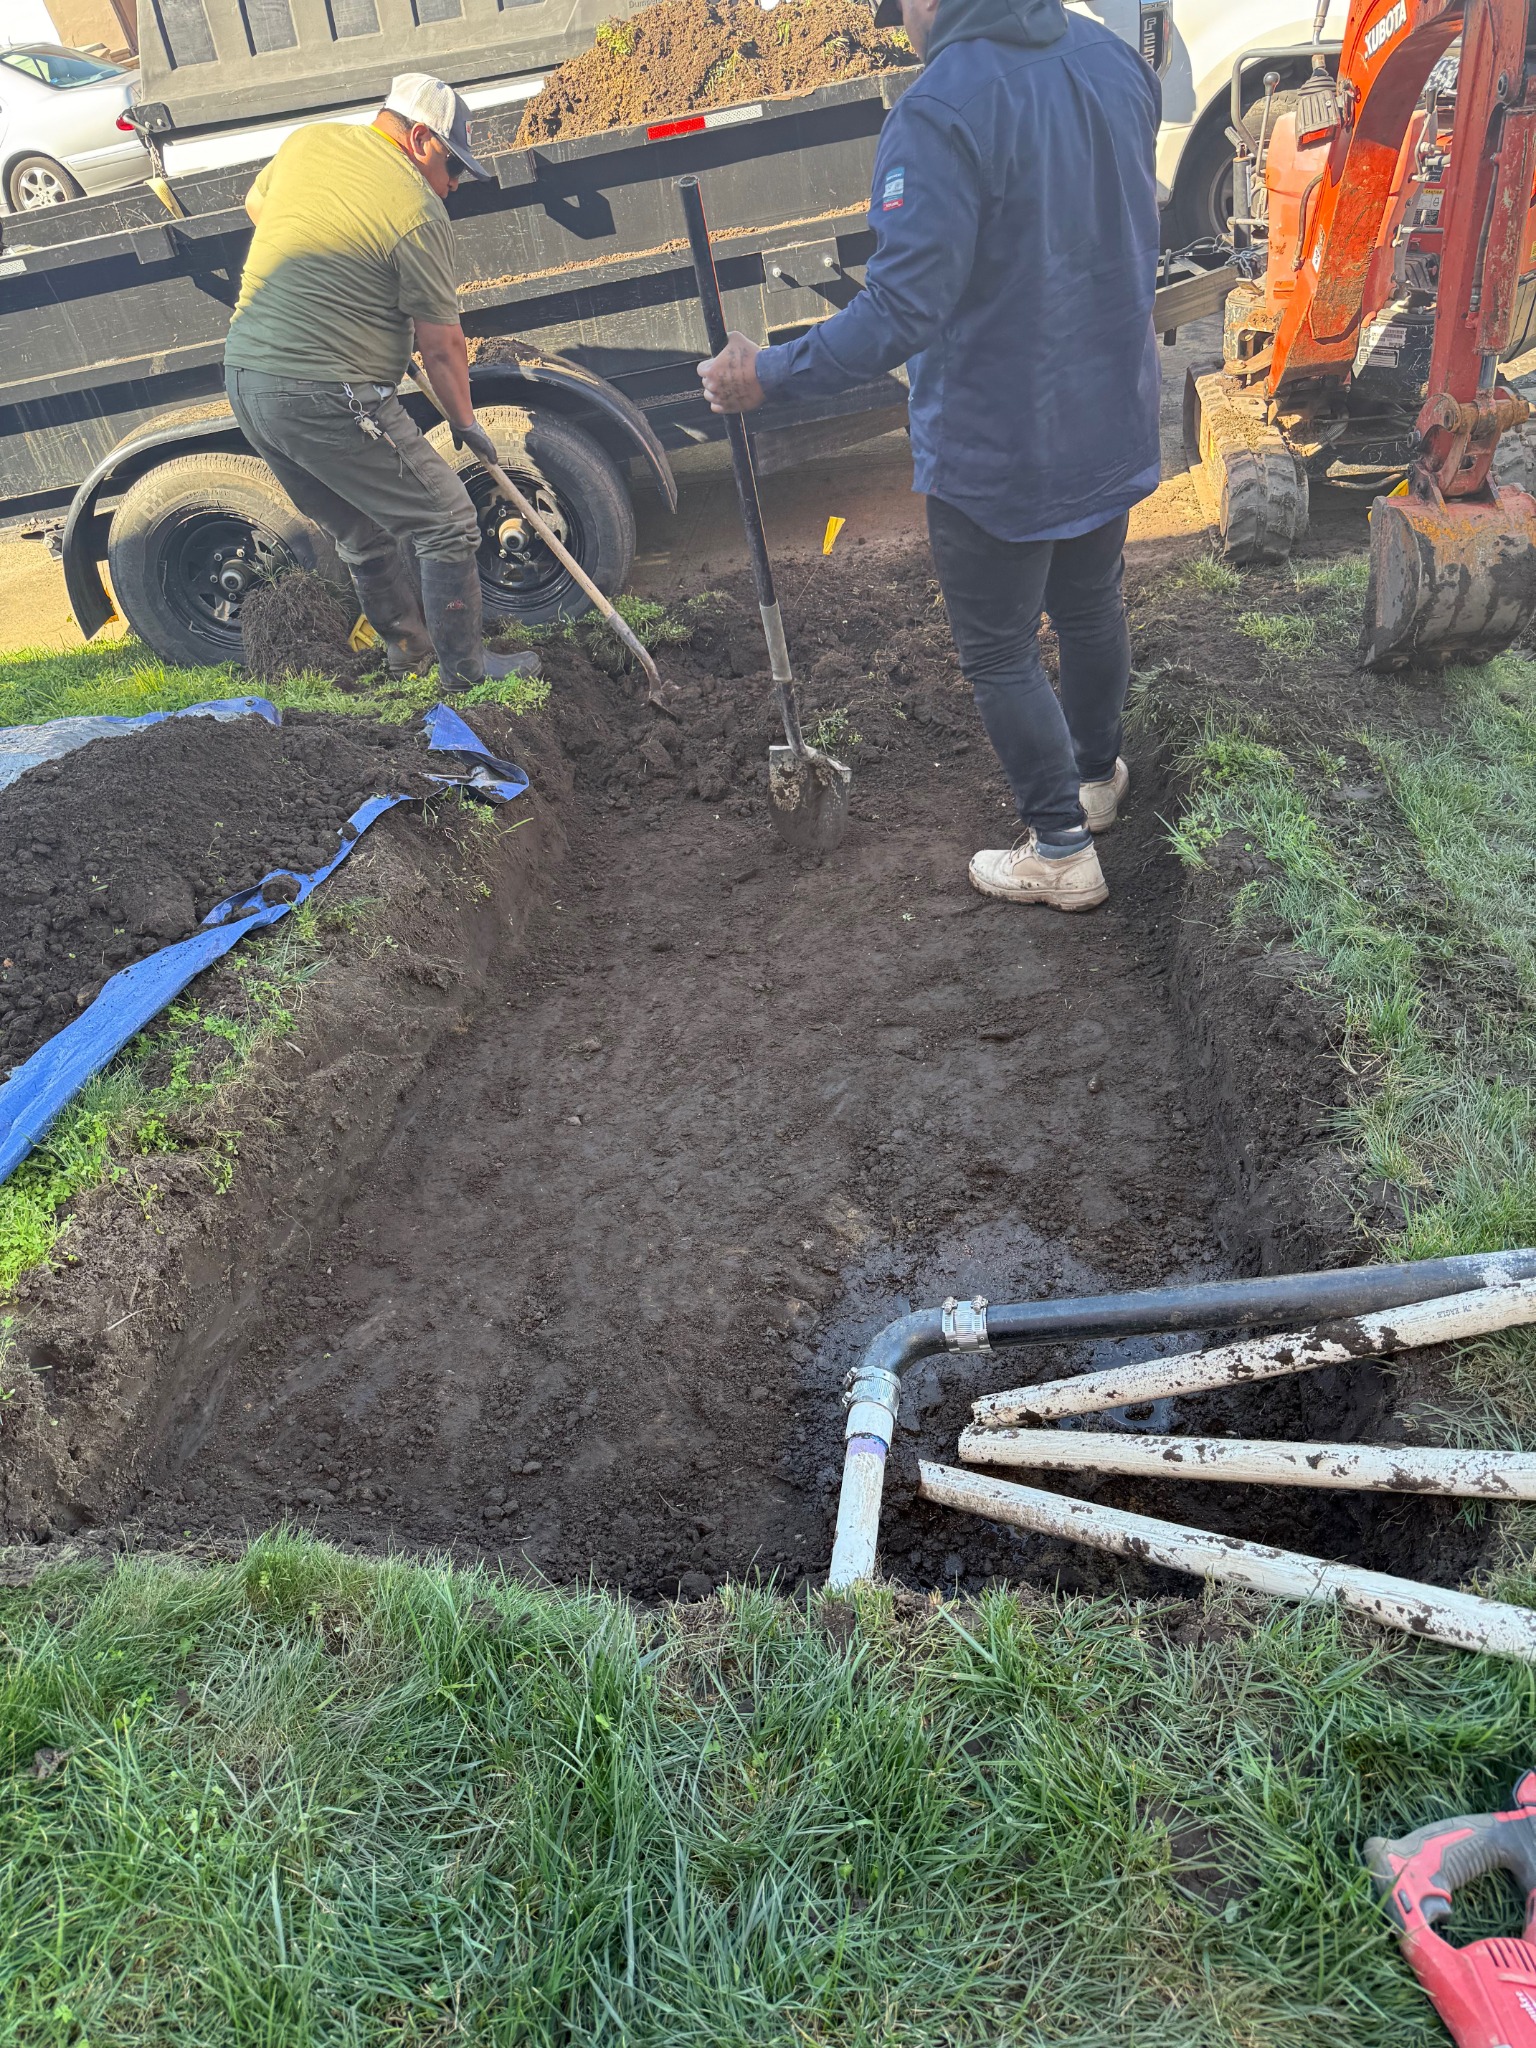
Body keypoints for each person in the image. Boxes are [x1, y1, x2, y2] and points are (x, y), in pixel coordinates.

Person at [697, 0, 1162, 911]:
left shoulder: (942, 107)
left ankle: (1061, 849)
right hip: (1109, 410)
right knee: (1089, 603)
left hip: (1002, 440)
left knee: (998, 649)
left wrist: (769, 373)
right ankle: (1095, 779)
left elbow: (901, 311)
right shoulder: (1113, 60)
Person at [224, 73, 520, 691]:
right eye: (452, 166)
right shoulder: (417, 211)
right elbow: (441, 347)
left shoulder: (309, 143)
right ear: (420, 139)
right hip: (327, 392)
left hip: (248, 381)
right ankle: (468, 677)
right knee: (448, 522)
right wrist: (466, 424)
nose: (454, 184)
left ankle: (409, 656)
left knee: (359, 528)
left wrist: (340, 282)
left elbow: (258, 206)